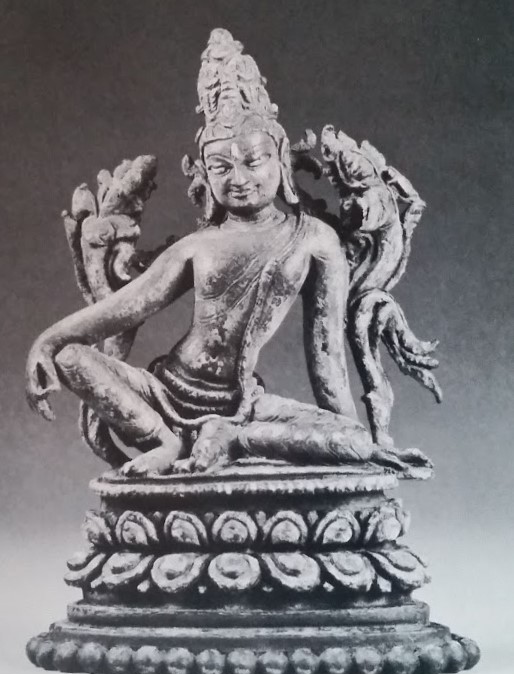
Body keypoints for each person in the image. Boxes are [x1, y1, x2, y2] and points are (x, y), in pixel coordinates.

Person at [25, 29, 411, 477]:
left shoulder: (314, 240)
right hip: (163, 395)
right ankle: (165, 442)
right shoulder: (199, 245)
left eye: (253, 161)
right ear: (205, 174)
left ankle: (231, 440)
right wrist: (45, 342)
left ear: (280, 157)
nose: (239, 179)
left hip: (242, 406)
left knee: (354, 441)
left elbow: (326, 355)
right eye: (221, 167)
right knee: (71, 358)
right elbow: (125, 308)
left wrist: (352, 438)